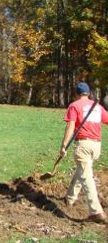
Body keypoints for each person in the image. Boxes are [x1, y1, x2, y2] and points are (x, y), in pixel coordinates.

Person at [60, 82, 108, 223]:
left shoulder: (75, 106)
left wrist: (63, 146)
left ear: (76, 93)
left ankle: (96, 211)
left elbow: (70, 127)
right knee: (82, 171)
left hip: (83, 144)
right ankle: (70, 198)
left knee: (86, 176)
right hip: (96, 146)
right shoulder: (97, 107)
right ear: (88, 93)